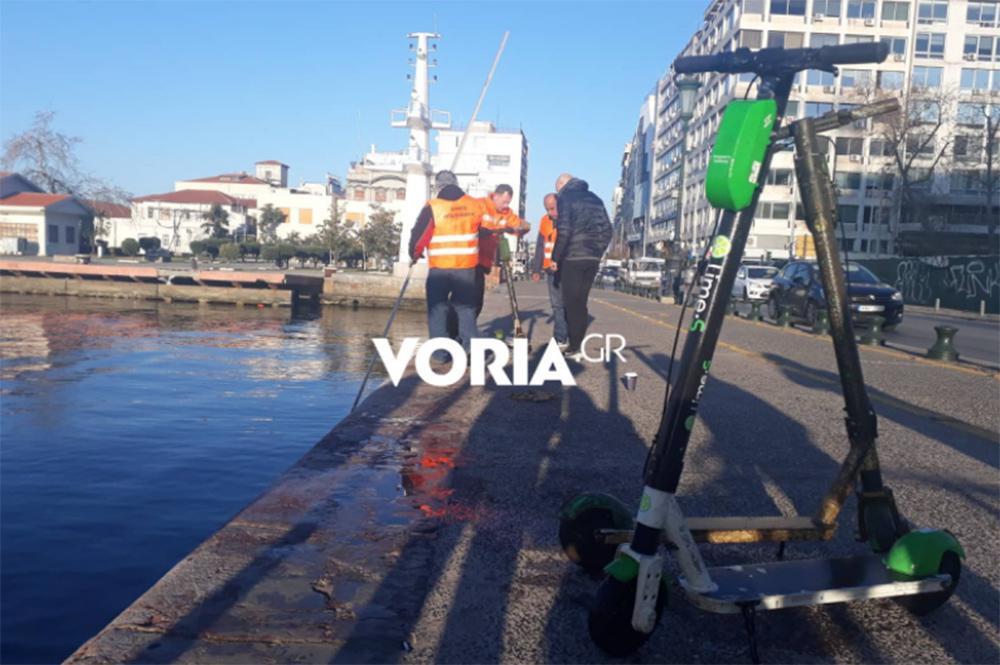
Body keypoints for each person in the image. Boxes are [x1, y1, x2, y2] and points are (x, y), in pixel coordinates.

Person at [409, 171, 484, 362]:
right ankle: (470, 350)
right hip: (466, 268)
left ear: (437, 186)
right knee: (466, 309)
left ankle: (441, 354)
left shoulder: (433, 207)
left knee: (438, 310)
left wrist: (414, 255)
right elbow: (484, 231)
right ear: (456, 183)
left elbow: (419, 234)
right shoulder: (474, 205)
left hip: (439, 270)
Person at [551, 173, 612, 359]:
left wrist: (555, 257)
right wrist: (598, 251)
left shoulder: (565, 197)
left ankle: (574, 345)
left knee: (571, 302)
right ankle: (577, 343)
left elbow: (564, 231)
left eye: (557, 189)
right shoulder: (596, 199)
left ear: (562, 185)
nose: (558, 193)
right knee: (581, 301)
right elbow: (608, 230)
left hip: (573, 257)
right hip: (592, 258)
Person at [531, 193, 568, 347]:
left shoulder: (568, 219)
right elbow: (540, 245)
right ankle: (560, 337)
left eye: (552, 208)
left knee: (567, 304)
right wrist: (536, 269)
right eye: (547, 209)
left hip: (566, 269)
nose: (550, 212)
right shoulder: (544, 221)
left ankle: (567, 335)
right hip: (550, 270)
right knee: (556, 305)